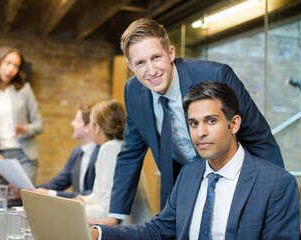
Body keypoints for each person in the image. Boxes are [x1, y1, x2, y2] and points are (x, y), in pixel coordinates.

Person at [105, 18, 284, 224]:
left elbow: (258, 136)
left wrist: (279, 204)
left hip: (233, 177)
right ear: (130, 66)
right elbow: (130, 153)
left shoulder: (216, 75)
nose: (151, 71)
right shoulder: (133, 90)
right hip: (182, 183)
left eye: (156, 57)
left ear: (170, 53)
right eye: (140, 63)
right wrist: (114, 216)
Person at [90, 81, 299, 240]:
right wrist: (98, 234)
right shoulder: (189, 174)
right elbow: (159, 229)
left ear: (234, 124)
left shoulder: (277, 184)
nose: (201, 132)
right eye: (193, 123)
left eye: (211, 121)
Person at [0, 46, 43, 184]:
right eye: (7, 63)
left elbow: (39, 125)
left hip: (25, 156)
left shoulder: (24, 90)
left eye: (16, 66)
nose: (11, 69)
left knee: (23, 200)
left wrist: (25, 129)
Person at [10, 103, 100, 198]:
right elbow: (57, 183)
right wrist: (27, 190)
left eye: (77, 120)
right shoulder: (76, 152)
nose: (72, 123)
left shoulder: (101, 153)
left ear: (87, 127)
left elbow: (93, 194)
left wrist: (51, 194)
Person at [75, 100, 125, 219]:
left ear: (96, 128)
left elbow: (106, 211)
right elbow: (99, 196)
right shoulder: (117, 146)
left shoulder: (110, 148)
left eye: (91, 123)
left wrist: (73, 211)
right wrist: (81, 200)